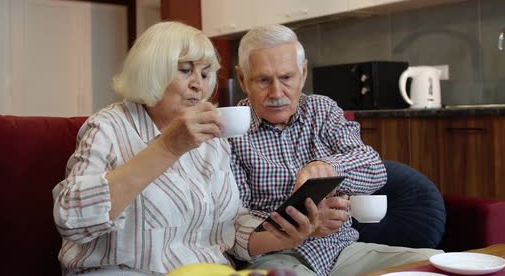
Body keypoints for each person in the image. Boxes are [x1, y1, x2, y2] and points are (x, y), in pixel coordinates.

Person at [52, 21, 321, 276]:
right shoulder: (109, 127)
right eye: (185, 70)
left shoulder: (212, 140)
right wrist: (168, 147)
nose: (198, 84)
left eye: (205, 74)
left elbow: (228, 229)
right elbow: (72, 217)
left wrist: (281, 236)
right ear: (151, 69)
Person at [230, 24, 442, 276]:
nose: (277, 93)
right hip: (277, 259)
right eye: (264, 80)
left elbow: (374, 168)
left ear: (303, 72)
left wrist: (329, 167)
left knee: (436, 264)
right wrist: (301, 228)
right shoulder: (231, 132)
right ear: (242, 79)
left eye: (287, 77)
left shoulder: (322, 110)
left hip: (342, 252)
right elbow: (235, 227)